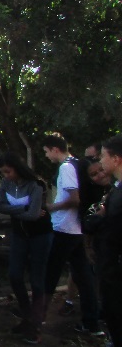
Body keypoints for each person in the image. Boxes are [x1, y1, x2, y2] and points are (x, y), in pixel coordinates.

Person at [41, 134, 103, 337]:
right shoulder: (77, 163)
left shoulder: (67, 167)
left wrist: (52, 207)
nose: (47, 155)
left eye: (46, 151)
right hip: (76, 228)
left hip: (64, 228)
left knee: (50, 273)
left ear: (54, 149)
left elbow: (74, 199)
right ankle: (91, 323)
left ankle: (36, 319)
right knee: (84, 278)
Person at [0, 152, 52, 344]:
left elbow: (35, 215)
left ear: (17, 168)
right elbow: (0, 206)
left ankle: (35, 324)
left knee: (37, 281)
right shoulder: (6, 184)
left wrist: (27, 212)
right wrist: (23, 209)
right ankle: (27, 315)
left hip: (40, 235)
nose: (6, 175)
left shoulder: (36, 184)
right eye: (3, 172)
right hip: (19, 235)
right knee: (14, 274)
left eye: (8, 171)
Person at [84, 135, 122, 346]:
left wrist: (97, 219)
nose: (101, 161)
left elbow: (111, 225)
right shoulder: (116, 189)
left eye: (104, 156)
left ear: (115, 159)